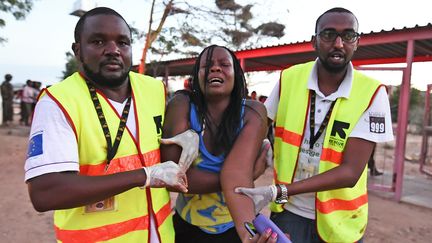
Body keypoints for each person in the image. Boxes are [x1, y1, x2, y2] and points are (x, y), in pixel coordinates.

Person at [24, 7, 199, 243]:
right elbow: (45, 193)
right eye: (98, 42)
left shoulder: (153, 89)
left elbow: (166, 152)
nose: (113, 50)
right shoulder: (59, 102)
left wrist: (190, 135)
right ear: (78, 50)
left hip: (161, 235)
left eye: (123, 42)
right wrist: (144, 176)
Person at [236, 7, 394, 243]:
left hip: (341, 221)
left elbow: (350, 173)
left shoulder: (372, 92)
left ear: (357, 42)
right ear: (314, 41)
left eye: (348, 35)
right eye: (329, 34)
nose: (339, 43)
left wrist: (280, 191)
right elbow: (254, 129)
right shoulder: (288, 78)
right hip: (289, 214)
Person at [161, 45, 277, 242]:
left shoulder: (253, 112)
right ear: (196, 75)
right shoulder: (181, 105)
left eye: (224, 64)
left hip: (234, 224)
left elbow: (235, 174)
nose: (215, 68)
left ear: (236, 75)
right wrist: (250, 175)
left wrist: (247, 234)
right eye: (207, 65)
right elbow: (172, 178)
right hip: (187, 226)